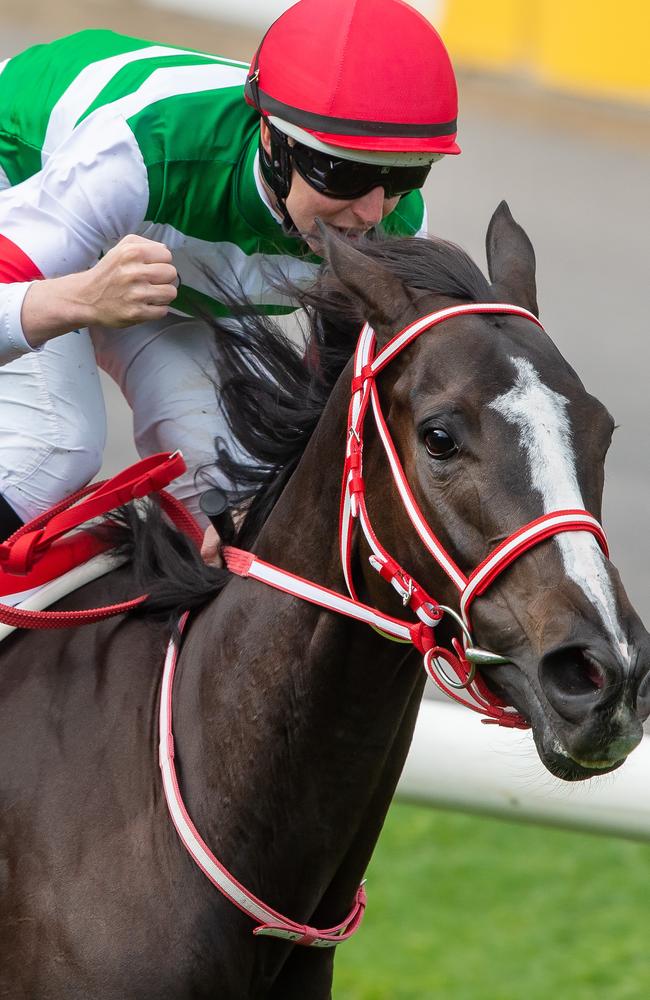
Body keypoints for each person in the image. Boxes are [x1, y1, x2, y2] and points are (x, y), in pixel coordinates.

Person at [0, 0, 460, 559]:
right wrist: (81, 297)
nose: (369, 211)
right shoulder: (141, 154)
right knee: (52, 452)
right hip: (25, 181)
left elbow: (334, 416)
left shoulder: (396, 224)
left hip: (165, 278)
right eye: (342, 171)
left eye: (404, 176)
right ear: (272, 137)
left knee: (237, 501)